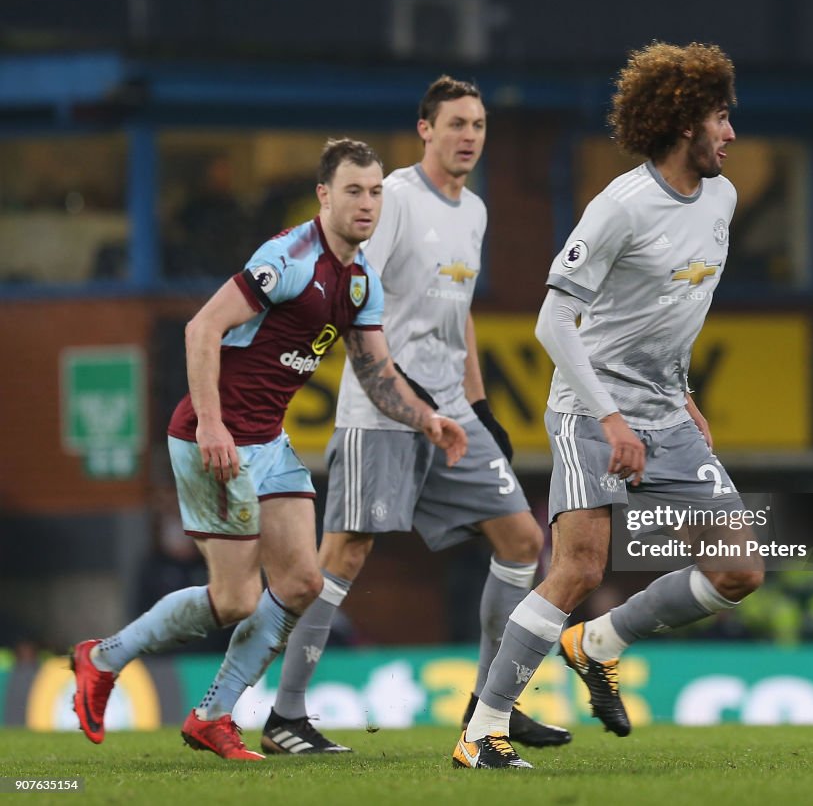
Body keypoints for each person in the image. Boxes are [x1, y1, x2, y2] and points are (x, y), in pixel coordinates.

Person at [70, 138, 467, 761]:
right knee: (235, 601)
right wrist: (211, 425)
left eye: (376, 192)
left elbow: (375, 371)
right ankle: (102, 657)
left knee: (303, 579)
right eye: (354, 191)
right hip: (215, 440)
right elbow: (202, 326)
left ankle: (214, 714)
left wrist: (426, 418)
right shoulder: (288, 256)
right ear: (324, 195)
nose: (366, 204)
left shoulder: (361, 282)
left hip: (269, 441)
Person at [453, 42, 765, 770]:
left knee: (739, 569)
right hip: (589, 409)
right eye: (721, 118)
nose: (731, 134)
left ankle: (600, 640)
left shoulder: (722, 198)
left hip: (666, 408)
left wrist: (682, 392)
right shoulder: (620, 206)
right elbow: (551, 322)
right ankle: (481, 730)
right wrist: (610, 418)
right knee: (578, 568)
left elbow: (673, 305)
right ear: (686, 123)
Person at [260, 76, 571, 755]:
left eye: (479, 125)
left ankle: (492, 706)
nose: (469, 137)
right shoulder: (395, 197)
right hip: (384, 408)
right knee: (344, 552)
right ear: (425, 129)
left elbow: (459, 323)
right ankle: (286, 715)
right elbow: (352, 293)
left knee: (521, 540)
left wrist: (482, 404)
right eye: (456, 123)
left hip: (455, 410)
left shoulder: (478, 212)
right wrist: (398, 390)